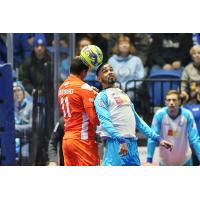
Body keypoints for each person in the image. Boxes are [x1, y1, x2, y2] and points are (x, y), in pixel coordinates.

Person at [94, 63, 173, 166]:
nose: (110, 72)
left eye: (111, 69)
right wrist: (121, 140)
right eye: (105, 71)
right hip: (116, 144)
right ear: (99, 79)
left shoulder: (123, 93)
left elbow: (138, 121)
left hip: (132, 145)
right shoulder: (101, 96)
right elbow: (105, 122)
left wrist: (158, 139)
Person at [58, 56, 100, 166]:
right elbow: (94, 119)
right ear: (84, 72)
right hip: (82, 140)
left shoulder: (61, 87)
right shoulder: (84, 87)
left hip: (67, 140)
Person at [146, 90, 200, 166]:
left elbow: (194, 139)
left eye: (174, 100)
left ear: (179, 101)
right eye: (168, 100)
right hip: (165, 162)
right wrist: (149, 160)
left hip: (185, 161)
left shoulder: (187, 114)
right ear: (165, 102)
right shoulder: (159, 115)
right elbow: (152, 137)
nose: (171, 102)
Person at [108, 36, 145, 100]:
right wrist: (118, 86)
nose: (124, 45)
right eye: (121, 44)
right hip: (114, 89)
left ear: (130, 46)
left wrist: (127, 87)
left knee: (127, 98)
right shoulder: (111, 60)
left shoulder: (136, 60)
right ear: (117, 46)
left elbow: (140, 78)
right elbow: (108, 76)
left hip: (132, 90)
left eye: (127, 43)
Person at [13, 81, 33, 165]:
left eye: (19, 90)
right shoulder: (9, 108)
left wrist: (15, 128)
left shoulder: (30, 106)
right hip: (11, 142)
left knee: (25, 157)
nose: (17, 93)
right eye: (14, 91)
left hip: (25, 141)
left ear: (23, 92)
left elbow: (32, 126)